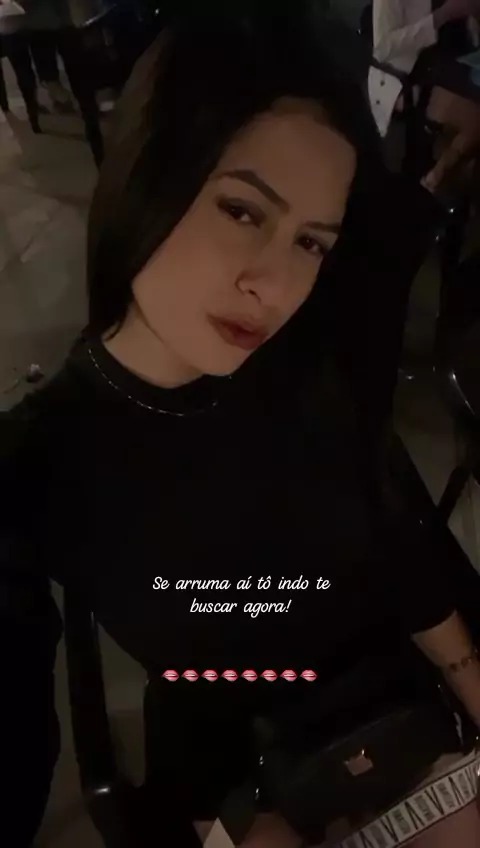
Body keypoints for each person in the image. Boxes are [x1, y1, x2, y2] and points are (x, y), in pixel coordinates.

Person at [3, 4, 480, 847]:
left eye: (311, 243)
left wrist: (470, 678)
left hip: (391, 706)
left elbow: (396, 526)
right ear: (148, 177)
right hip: (236, 758)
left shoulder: (306, 363)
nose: (275, 285)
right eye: (243, 212)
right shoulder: (37, 459)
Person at [369, 0, 480, 192]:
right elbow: (383, 48)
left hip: (442, 68)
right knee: (475, 119)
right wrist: (441, 16)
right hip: (408, 80)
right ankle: (434, 178)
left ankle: (436, 178)